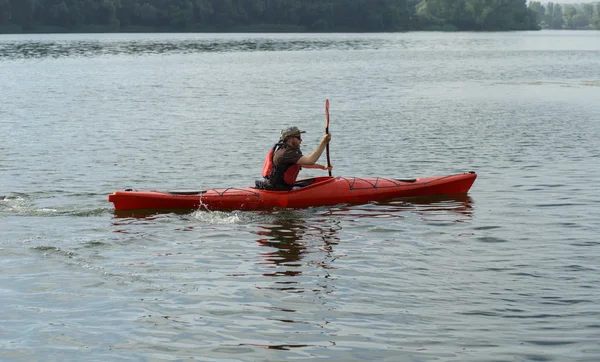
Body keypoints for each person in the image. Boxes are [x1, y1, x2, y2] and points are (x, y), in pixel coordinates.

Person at [257, 126, 332, 191]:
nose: (301, 140)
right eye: (298, 137)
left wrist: (322, 167)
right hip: (278, 190)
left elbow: (302, 164)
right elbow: (310, 160)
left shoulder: (287, 151)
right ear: (290, 139)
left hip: (280, 187)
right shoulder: (286, 153)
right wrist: (324, 142)